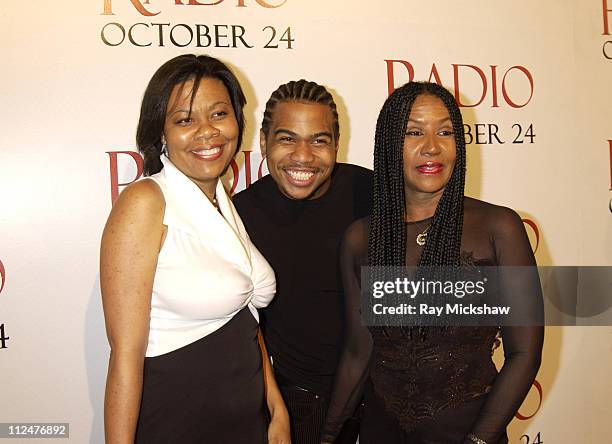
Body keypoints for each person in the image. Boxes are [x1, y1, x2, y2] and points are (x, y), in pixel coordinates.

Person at [321, 81, 544, 444]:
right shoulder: (361, 239)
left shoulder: (497, 228)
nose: (432, 147)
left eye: (445, 131)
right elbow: (357, 352)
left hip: (470, 435)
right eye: (413, 132)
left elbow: (524, 354)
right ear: (390, 144)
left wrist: (479, 441)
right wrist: (328, 434)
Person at [100, 54, 289, 444]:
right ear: (161, 133)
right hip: (177, 423)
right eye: (185, 120)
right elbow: (125, 356)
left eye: (219, 113)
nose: (207, 131)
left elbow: (245, 320)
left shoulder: (221, 199)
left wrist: (276, 409)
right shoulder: (145, 202)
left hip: (249, 424)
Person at [233, 79, 372, 444]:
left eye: (318, 140)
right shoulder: (240, 217)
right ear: (263, 142)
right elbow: (243, 330)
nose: (303, 156)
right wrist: (276, 407)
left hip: (384, 402)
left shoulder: (375, 194)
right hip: (301, 407)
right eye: (287, 138)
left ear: (336, 145)